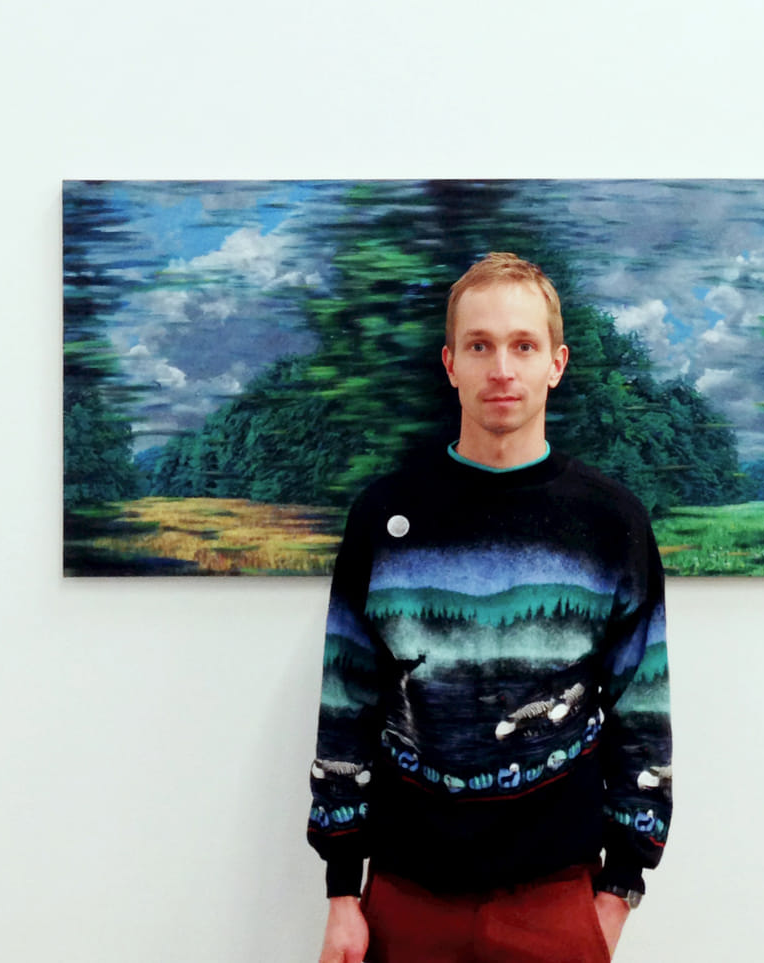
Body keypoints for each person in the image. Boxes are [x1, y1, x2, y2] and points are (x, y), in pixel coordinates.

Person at [308, 253, 672, 962]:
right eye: (480, 345)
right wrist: (342, 889)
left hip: (557, 895)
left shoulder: (612, 521)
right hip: (404, 895)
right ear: (450, 363)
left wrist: (620, 887)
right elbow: (345, 702)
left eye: (523, 345)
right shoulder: (383, 514)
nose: (501, 368)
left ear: (556, 364)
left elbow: (643, 711)